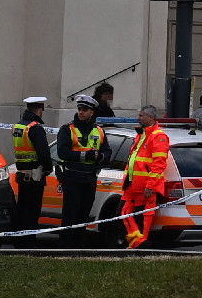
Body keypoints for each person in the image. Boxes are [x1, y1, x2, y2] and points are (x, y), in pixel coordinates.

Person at [53, 94, 108, 246]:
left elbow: (107, 153)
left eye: (84, 110)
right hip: (72, 178)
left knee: (83, 215)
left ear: (92, 112)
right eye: (79, 109)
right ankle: (65, 248)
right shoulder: (67, 129)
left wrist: (100, 156)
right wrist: (87, 155)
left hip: (90, 179)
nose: (81, 112)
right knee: (70, 215)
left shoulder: (99, 131)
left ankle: (78, 247)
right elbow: (62, 152)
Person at [118, 104, 173, 248]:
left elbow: (159, 164)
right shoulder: (142, 134)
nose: (138, 118)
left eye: (141, 115)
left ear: (151, 117)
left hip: (145, 188)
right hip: (132, 186)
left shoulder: (158, 136)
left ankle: (139, 246)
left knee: (142, 219)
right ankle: (139, 244)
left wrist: (150, 185)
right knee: (123, 213)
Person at [10, 96, 52, 233]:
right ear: (40, 110)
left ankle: (18, 239)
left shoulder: (18, 126)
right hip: (35, 175)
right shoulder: (35, 128)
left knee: (21, 207)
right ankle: (27, 241)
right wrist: (48, 168)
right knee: (32, 211)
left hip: (22, 173)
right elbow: (44, 153)